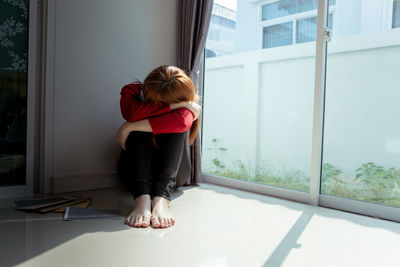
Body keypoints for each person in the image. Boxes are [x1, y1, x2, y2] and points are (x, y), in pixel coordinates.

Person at [115, 65, 201, 229]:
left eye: (175, 102)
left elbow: (182, 122)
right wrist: (175, 106)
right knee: (137, 124)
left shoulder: (186, 100)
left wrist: (127, 127)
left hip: (173, 177)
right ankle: (142, 199)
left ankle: (161, 199)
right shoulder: (131, 91)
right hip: (133, 174)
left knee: (174, 127)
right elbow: (131, 114)